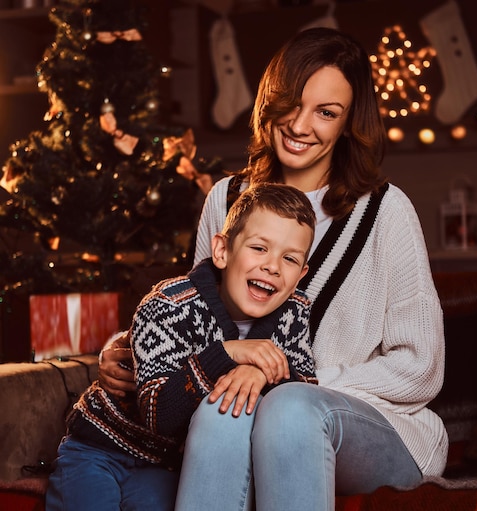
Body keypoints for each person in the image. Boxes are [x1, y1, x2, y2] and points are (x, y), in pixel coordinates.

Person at [99, 26, 447, 511]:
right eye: (292, 103)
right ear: (270, 98)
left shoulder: (386, 210)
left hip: (378, 427)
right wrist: (128, 348)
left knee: (287, 407)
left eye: (326, 112)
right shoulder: (225, 198)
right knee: (223, 407)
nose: (301, 126)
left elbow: (421, 368)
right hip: (251, 410)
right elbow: (197, 310)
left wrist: (282, 376)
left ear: (347, 124)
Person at [46, 182, 318, 511]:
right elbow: (157, 416)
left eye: (289, 258)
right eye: (259, 248)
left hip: (164, 465)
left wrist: (262, 375)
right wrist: (228, 353)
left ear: (301, 274)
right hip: (100, 446)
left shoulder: (294, 312)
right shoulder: (169, 303)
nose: (272, 266)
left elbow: (305, 388)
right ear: (222, 251)